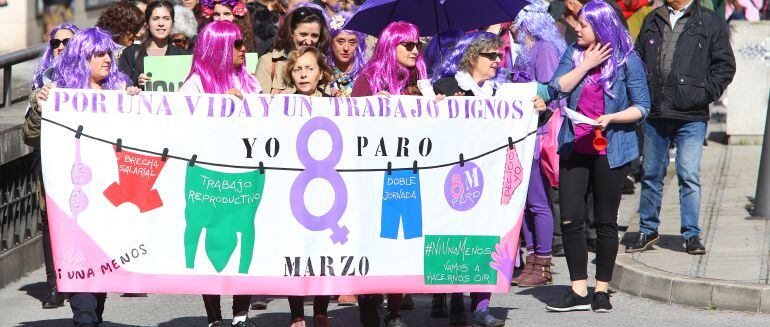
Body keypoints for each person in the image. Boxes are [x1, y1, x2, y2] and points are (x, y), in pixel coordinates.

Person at [430, 31, 547, 327]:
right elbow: (427, 125)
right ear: (472, 57)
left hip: (489, 178)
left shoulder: (502, 92)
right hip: (451, 177)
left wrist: (539, 110)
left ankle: (481, 305)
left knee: (486, 237)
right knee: (455, 239)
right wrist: (438, 105)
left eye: (500, 55)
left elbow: (528, 118)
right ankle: (452, 297)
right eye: (491, 56)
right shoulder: (445, 85)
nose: (498, 60)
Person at [30, 27, 141, 326]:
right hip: (73, 195)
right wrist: (41, 109)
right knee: (77, 255)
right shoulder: (58, 93)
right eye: (99, 54)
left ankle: (93, 314)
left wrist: (137, 104)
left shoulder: (119, 92)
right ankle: (85, 318)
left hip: (109, 195)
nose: (107, 59)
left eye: (108, 53)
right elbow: (31, 135)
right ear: (83, 57)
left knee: (100, 261)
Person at [544, 0, 650, 313]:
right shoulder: (573, 53)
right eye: (578, 24)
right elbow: (555, 88)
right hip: (574, 145)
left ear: (601, 27)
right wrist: (585, 65)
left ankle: (601, 290)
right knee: (570, 217)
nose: (577, 28)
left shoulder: (627, 60)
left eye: (584, 24)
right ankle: (578, 291)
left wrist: (612, 118)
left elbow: (642, 107)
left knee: (605, 221)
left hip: (612, 149)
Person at [628, 0, 736, 255]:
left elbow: (725, 65)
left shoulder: (708, 20)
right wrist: (642, 93)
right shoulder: (653, 18)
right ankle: (647, 229)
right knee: (652, 173)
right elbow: (638, 59)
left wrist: (704, 93)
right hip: (656, 111)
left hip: (692, 114)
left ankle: (691, 234)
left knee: (689, 175)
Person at [179, 21, 261, 327]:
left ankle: (241, 314)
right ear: (219, 49)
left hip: (244, 175)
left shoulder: (250, 82)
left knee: (246, 237)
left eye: (242, 43)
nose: (243, 49)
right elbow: (184, 132)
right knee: (210, 245)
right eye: (236, 44)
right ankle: (214, 317)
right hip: (207, 178)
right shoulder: (194, 86)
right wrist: (221, 106)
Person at [349, 21, 426, 327]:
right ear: (390, 46)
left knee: (402, 241)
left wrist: (437, 105)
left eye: (417, 44)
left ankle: (394, 310)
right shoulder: (368, 78)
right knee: (371, 238)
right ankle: (368, 300)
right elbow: (351, 120)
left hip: (407, 171)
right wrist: (371, 105)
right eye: (407, 45)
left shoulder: (420, 78)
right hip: (373, 172)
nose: (414, 50)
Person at [507, 1, 567, 288]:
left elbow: (551, 92)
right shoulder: (526, 51)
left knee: (538, 202)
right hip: (525, 134)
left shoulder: (543, 50)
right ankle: (532, 260)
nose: (512, 27)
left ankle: (542, 262)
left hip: (539, 134)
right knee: (526, 203)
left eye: (516, 22)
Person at [25, 22, 80, 310]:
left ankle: (82, 277)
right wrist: (37, 103)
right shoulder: (42, 79)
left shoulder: (91, 76)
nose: (60, 47)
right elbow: (29, 133)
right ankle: (54, 284)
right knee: (50, 221)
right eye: (55, 43)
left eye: (67, 42)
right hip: (48, 157)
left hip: (82, 159)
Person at [279, 46, 334, 327]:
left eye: (309, 68)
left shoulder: (337, 103)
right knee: (296, 249)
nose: (303, 74)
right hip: (295, 186)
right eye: (298, 69)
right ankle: (296, 312)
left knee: (323, 249)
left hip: (327, 187)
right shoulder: (281, 105)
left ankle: (321, 310)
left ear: (322, 73)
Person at [255, 5, 330, 94]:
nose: (309, 42)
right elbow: (259, 104)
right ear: (291, 33)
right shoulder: (268, 62)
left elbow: (325, 101)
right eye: (303, 35)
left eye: (314, 36)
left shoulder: (322, 63)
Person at [119, 1, 190, 88]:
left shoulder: (185, 56)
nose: (161, 23)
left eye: (166, 18)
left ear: (173, 23)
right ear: (147, 24)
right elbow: (120, 89)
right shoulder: (130, 53)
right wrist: (136, 84)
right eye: (155, 18)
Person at [325, 11, 367, 97]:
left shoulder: (367, 73)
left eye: (352, 42)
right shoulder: (322, 72)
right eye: (340, 42)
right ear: (331, 42)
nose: (346, 48)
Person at [556, 0, 627, 43]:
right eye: (586, 2)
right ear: (570, 5)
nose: (593, 4)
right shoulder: (557, 31)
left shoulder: (602, 24)